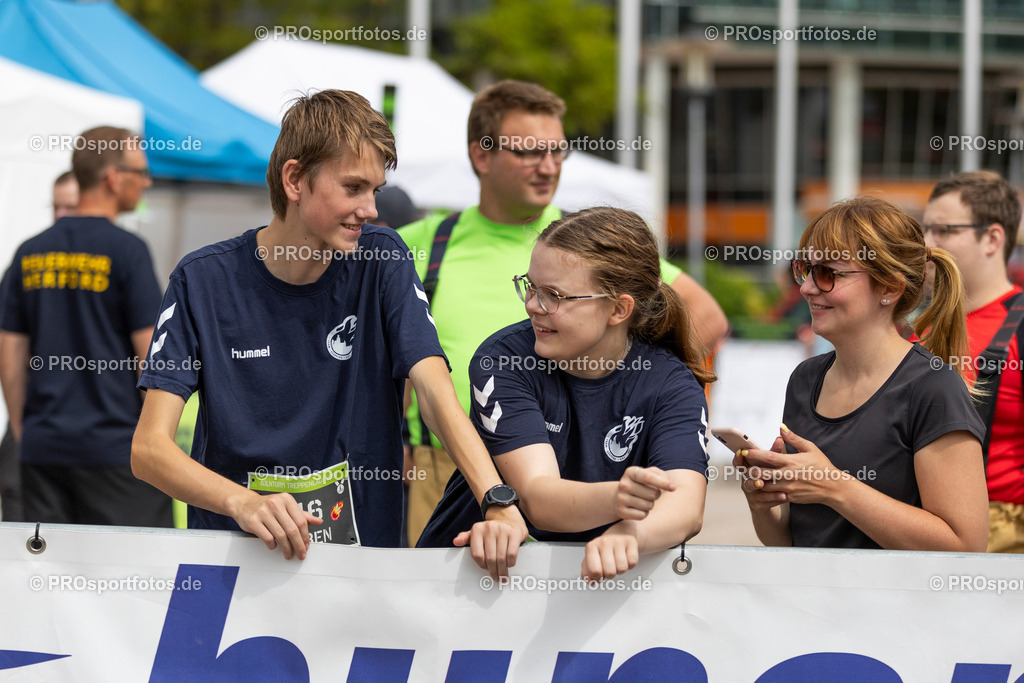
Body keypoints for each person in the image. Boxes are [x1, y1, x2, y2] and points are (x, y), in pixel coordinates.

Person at [131, 90, 526, 577]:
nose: (371, 209)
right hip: (234, 568)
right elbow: (149, 450)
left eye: (375, 190)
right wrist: (244, 503)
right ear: (295, 179)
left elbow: (433, 388)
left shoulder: (383, 256)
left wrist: (496, 498)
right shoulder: (202, 278)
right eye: (354, 187)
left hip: (357, 571)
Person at [399, 80, 728, 546]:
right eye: (531, 152)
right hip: (447, 462)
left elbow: (700, 313)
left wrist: (638, 389)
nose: (548, 166)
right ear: (481, 156)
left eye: (557, 152)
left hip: (586, 476)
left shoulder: (583, 237)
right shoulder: (422, 242)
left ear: (619, 309)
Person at [418, 207, 711, 580]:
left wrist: (630, 534)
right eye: (530, 286)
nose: (532, 306)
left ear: (618, 309)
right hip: (465, 584)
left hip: (590, 600)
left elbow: (687, 507)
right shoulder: (505, 359)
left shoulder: (671, 383)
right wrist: (616, 499)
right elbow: (538, 499)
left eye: (553, 295)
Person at [736, 197, 988, 551]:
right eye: (804, 270)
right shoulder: (806, 379)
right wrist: (764, 504)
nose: (807, 288)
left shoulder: (932, 387)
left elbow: (964, 546)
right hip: (810, 603)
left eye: (828, 274)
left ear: (890, 288)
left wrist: (834, 487)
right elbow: (791, 540)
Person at [0, 128, 171, 527]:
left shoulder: (30, 252)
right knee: (138, 574)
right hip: (115, 452)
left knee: (50, 576)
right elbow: (152, 356)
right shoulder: (128, 252)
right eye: (140, 172)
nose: (145, 182)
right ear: (113, 177)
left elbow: (9, 357)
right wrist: (154, 440)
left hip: (43, 451)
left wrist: (25, 429)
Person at [922, 171, 1024, 553]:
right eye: (926, 229)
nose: (928, 245)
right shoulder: (916, 328)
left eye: (944, 231)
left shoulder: (1019, 324)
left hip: (1005, 536)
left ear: (993, 238)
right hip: (916, 528)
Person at [0, 171, 80, 521]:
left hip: (92, 442)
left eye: (71, 207)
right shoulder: (28, 259)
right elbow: (8, 350)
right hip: (33, 429)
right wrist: (19, 429)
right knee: (22, 551)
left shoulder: (118, 258)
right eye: (56, 207)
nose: (61, 217)